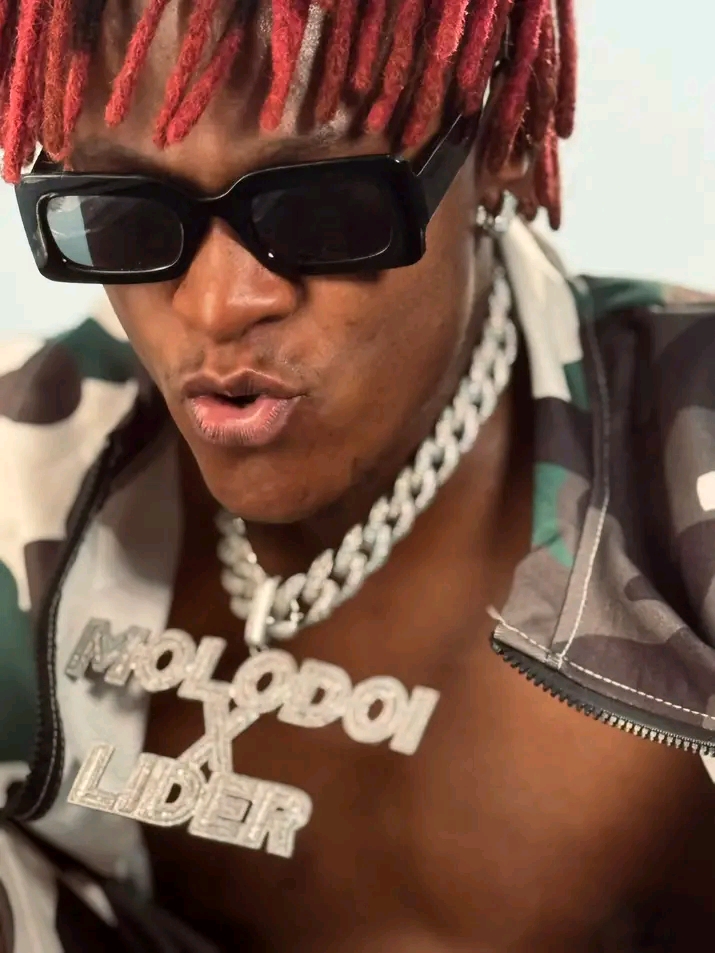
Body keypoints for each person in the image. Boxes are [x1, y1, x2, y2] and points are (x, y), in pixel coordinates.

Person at [1, 0, 715, 950]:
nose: (216, 305)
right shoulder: (20, 476)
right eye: (125, 216)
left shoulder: (690, 450)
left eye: (317, 210)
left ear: (500, 142)